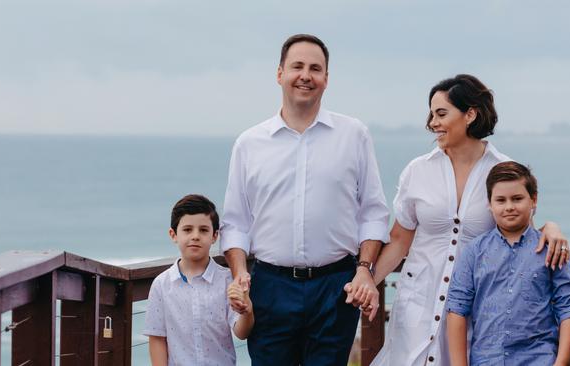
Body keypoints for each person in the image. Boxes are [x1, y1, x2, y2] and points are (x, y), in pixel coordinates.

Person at [361, 74, 570, 365]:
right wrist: (368, 282)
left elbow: (518, 234)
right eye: (431, 114)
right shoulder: (417, 170)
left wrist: (551, 227)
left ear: (470, 114)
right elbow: (399, 239)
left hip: (475, 311)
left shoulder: (502, 169)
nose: (432, 122)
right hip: (417, 304)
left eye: (441, 113)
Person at [220, 34, 390, 365]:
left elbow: (373, 212)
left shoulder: (353, 135)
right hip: (270, 285)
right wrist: (240, 272)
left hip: (335, 286)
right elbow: (236, 221)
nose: (306, 75)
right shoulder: (249, 143)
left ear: (326, 79)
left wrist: (365, 270)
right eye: (297, 66)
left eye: (316, 68)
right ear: (280, 73)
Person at [446, 161, 570, 365]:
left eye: (517, 199)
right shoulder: (474, 252)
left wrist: (561, 363)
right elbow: (457, 309)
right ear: (489, 204)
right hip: (487, 360)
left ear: (533, 200)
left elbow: (569, 306)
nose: (509, 207)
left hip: (540, 359)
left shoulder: (551, 249)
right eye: (500, 200)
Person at [144, 194, 254, 366]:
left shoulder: (227, 280)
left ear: (215, 236)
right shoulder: (161, 285)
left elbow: (241, 332)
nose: (195, 236)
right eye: (187, 230)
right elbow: (157, 337)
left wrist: (246, 310)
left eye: (203, 230)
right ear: (173, 234)